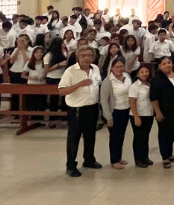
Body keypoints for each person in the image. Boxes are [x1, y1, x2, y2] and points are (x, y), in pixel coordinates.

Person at [57, 47, 103, 177]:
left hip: (92, 106)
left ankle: (89, 160)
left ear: (93, 57)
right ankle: (71, 165)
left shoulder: (95, 68)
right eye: (83, 55)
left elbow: (98, 84)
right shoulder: (70, 71)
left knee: (90, 136)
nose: (86, 58)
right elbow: (62, 91)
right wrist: (79, 84)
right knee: (74, 137)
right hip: (77, 108)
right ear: (78, 57)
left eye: (89, 55)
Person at [100, 57, 132, 170]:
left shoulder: (127, 77)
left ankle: (119, 157)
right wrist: (108, 117)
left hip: (126, 110)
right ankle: (114, 160)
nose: (119, 69)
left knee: (121, 135)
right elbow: (103, 100)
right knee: (114, 137)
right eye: (116, 67)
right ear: (112, 68)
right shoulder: (108, 81)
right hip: (114, 112)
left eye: (121, 66)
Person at [150, 57, 174, 169]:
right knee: (164, 133)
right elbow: (153, 98)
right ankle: (165, 157)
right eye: (164, 63)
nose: (167, 65)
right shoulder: (157, 79)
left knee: (171, 132)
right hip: (164, 110)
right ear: (160, 66)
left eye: (169, 62)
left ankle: (170, 153)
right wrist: (157, 112)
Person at [129, 65, 155, 167]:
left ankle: (145, 157)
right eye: (142, 72)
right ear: (137, 74)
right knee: (139, 137)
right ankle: (139, 159)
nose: (145, 74)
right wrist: (136, 116)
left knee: (145, 137)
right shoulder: (135, 86)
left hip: (149, 113)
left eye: (146, 71)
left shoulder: (150, 83)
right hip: (138, 115)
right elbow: (132, 102)